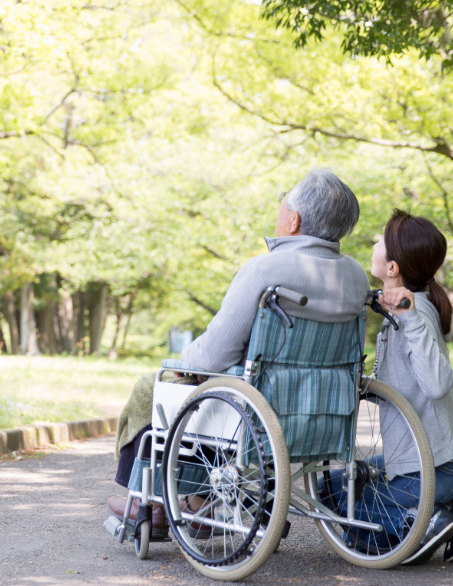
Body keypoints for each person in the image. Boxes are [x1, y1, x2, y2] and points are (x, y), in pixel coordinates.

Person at [108, 168, 370, 531]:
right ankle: (197, 500)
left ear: (293, 220)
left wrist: (187, 363)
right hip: (324, 408)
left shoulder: (266, 268)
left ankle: (144, 500)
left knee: (156, 387)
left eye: (283, 202)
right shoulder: (357, 276)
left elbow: (212, 355)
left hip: (259, 405)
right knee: (226, 388)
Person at [322, 209, 453, 564]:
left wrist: (408, 316)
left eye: (381, 240)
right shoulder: (405, 308)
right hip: (425, 462)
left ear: (392, 267)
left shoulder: (415, 314)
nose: (375, 243)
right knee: (328, 491)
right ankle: (451, 506)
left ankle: (430, 520)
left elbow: (438, 384)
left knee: (356, 526)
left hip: (438, 467)